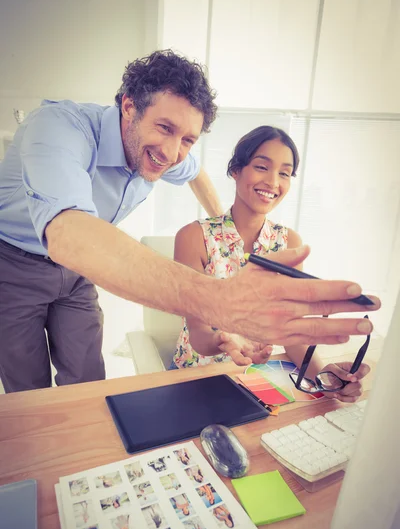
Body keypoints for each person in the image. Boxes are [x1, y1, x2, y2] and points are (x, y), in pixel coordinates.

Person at [0, 52, 379, 394]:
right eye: (165, 128)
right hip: (15, 262)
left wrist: (222, 229)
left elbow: (194, 173)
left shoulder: (173, 151)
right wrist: (221, 302)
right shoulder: (59, 127)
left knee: (86, 380)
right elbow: (68, 235)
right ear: (129, 107)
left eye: (187, 139)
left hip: (76, 277)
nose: (171, 153)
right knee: (28, 389)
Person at [171, 126, 372, 403]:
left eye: (285, 173)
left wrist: (323, 376)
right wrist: (223, 340)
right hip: (197, 377)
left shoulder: (289, 242)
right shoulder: (193, 237)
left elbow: (291, 335)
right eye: (262, 167)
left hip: (257, 378)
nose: (273, 181)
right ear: (235, 170)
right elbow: (198, 332)